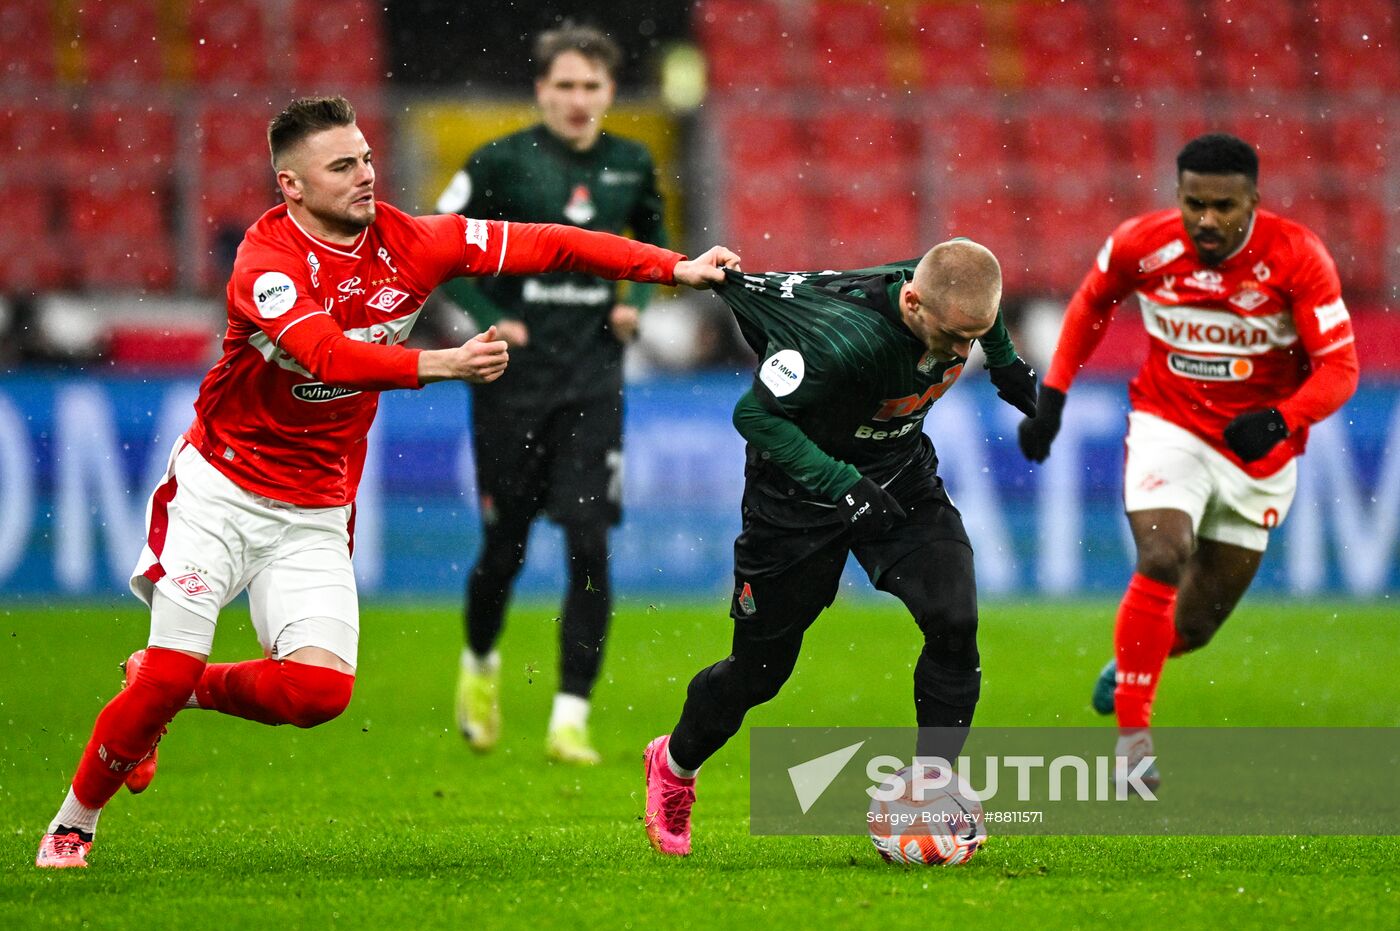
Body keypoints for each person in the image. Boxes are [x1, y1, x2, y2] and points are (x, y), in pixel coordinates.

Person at [35, 95, 738, 869]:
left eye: (366, 157)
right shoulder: (265, 265)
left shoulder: (413, 242)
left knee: (319, 695)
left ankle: (176, 691)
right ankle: (74, 822)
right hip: (220, 492)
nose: (366, 175)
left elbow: (552, 244)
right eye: (342, 166)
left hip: (314, 508)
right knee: (168, 662)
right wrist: (441, 364)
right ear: (291, 186)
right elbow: (330, 355)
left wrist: (675, 268)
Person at [640, 241, 1039, 856]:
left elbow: (975, 301)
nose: (964, 354)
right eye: (958, 338)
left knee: (954, 620)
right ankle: (675, 764)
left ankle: (931, 789)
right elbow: (757, 419)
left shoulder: (946, 298)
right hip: (797, 500)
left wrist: (1007, 358)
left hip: (900, 478)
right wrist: (842, 485)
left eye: (976, 338)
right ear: (912, 302)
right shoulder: (837, 343)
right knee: (759, 675)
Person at [1016, 133, 1359, 787]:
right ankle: (1133, 736)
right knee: (1163, 552)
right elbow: (1092, 302)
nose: (1206, 218)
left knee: (1197, 625)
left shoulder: (1297, 257)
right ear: (1178, 195)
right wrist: (1053, 395)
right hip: (1167, 425)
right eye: (1194, 202)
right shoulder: (1143, 242)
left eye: (1223, 206)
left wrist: (1285, 417)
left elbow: (1341, 366)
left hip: (1257, 447)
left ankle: (1133, 659)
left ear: (1253, 200)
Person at [434, 26, 667, 765]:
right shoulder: (502, 160)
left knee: (590, 545)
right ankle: (479, 662)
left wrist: (640, 305)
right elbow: (435, 242)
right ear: (541, 89)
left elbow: (659, 244)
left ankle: (571, 715)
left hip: (593, 381)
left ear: (609, 93)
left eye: (591, 87)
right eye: (564, 85)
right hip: (511, 382)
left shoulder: (631, 163)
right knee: (505, 545)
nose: (577, 100)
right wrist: (485, 315)